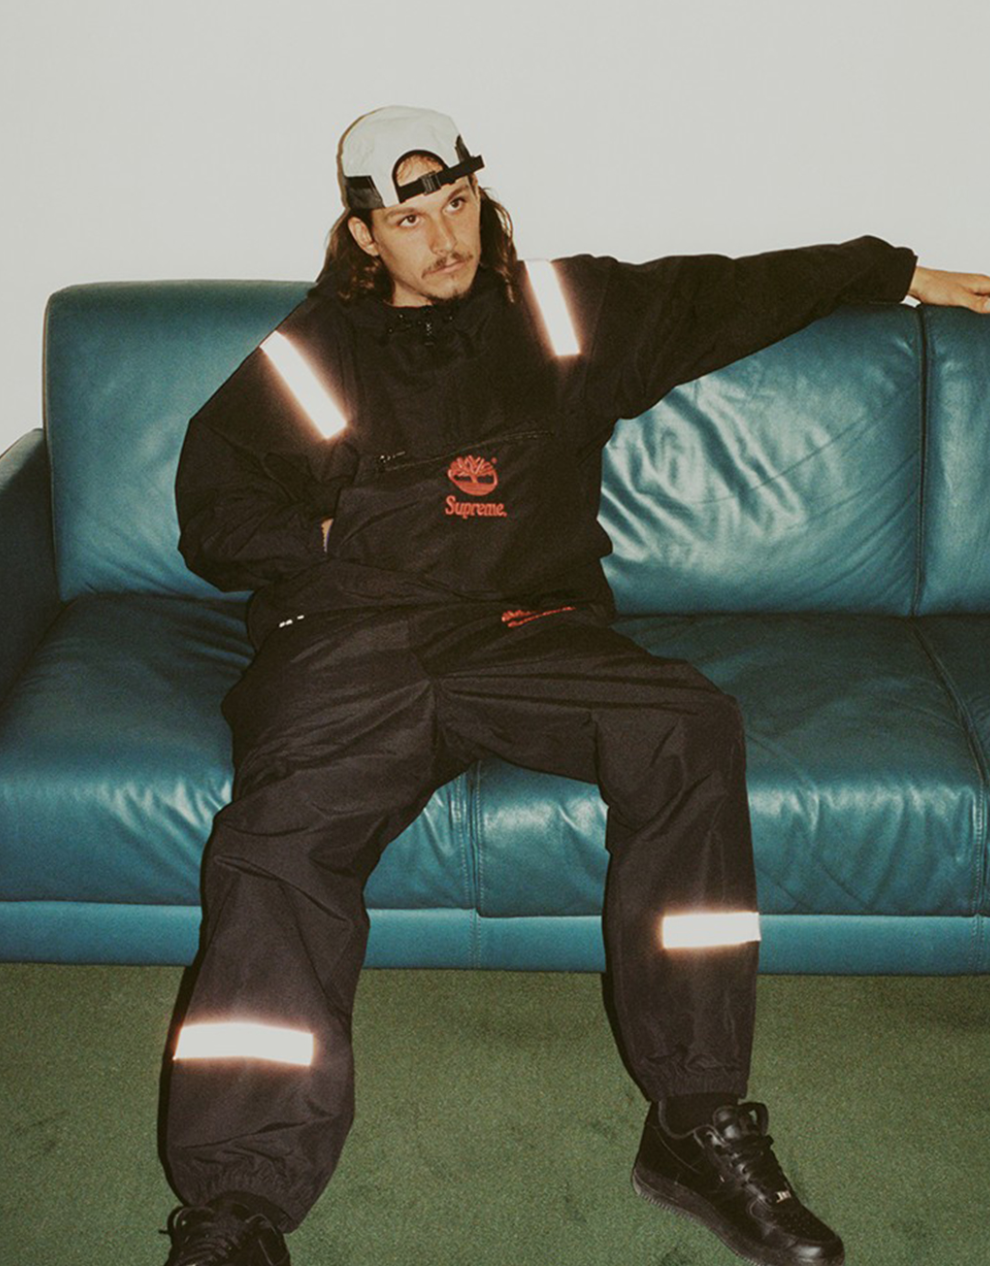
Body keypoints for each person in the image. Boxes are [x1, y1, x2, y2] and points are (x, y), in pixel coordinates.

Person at [159, 104, 990, 1266]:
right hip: (358, 641)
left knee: (688, 727)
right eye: (410, 219)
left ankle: (695, 1119)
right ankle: (237, 1204)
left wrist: (893, 272)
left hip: (529, 634)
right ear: (364, 237)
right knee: (276, 844)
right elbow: (217, 505)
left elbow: (719, 294)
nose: (445, 237)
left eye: (456, 203)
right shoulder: (313, 355)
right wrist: (326, 542)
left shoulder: (561, 314)